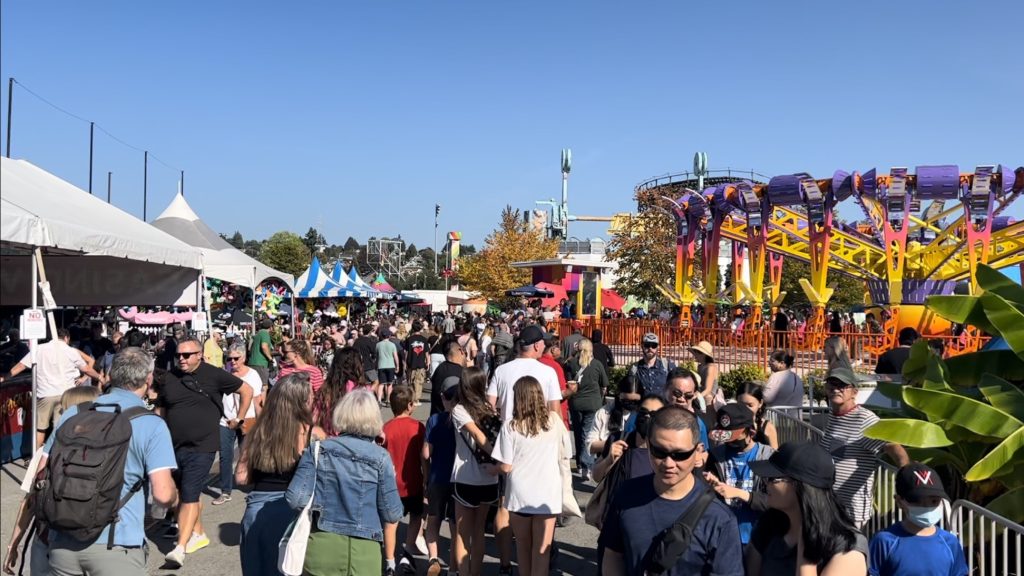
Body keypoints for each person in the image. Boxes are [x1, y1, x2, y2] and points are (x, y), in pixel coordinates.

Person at [42, 348, 178, 576]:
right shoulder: (151, 424)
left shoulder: (72, 413)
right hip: (118, 544)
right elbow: (163, 495)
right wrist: (176, 498)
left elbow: (42, 475)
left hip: (63, 540)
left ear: (109, 376)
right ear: (148, 379)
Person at [599, 405, 744, 575]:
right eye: (659, 452)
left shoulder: (720, 519)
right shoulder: (626, 494)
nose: (668, 463)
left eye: (680, 455)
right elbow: (613, 555)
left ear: (698, 451)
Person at [285, 388, 404, 575]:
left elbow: (296, 499)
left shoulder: (318, 450)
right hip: (365, 553)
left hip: (322, 548)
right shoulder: (381, 458)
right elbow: (392, 513)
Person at [155, 337, 251, 568]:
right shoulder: (169, 378)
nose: (181, 359)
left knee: (189, 493)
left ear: (200, 354)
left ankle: (180, 547)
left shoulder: (214, 375)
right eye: (179, 355)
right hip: (174, 446)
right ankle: (198, 533)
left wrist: (239, 417)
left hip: (203, 446)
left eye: (187, 355)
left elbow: (246, 390)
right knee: (178, 495)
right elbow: (161, 409)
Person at [3, 385, 101, 576]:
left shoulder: (46, 452)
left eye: (62, 410)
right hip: (94, 543)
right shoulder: (111, 452)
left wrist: (13, 545)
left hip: (48, 540)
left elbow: (30, 504)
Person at [235, 373, 318, 576]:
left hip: (256, 513)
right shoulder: (310, 434)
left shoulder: (258, 432)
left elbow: (241, 477)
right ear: (303, 402)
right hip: (292, 514)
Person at [747, 441, 869, 575]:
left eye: (772, 479)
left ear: (802, 487)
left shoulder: (848, 547)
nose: (765, 484)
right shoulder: (768, 526)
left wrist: (807, 556)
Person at [491, 376, 565, 576]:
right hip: (547, 495)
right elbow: (565, 452)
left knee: (523, 548)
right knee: (542, 550)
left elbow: (506, 466)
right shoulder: (554, 422)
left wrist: (493, 469)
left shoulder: (510, 426)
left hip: (520, 495)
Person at [822, 367, 909, 529]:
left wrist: (906, 474)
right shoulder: (833, 414)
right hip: (831, 503)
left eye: (842, 386)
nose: (836, 389)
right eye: (831, 385)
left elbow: (891, 445)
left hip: (852, 509)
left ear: (854, 392)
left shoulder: (864, 419)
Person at [2, 328, 105, 448]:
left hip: (45, 393)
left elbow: (20, 366)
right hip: (66, 394)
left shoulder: (39, 349)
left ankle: (35, 458)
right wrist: (100, 377)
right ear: (67, 338)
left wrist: (5, 378)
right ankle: (57, 456)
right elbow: (86, 369)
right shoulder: (70, 350)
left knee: (40, 428)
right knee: (60, 426)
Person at [869, 462, 968, 576]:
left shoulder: (950, 543)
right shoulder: (884, 541)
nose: (926, 507)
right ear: (899, 501)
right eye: (916, 501)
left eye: (934, 501)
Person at [451, 368, 501, 576]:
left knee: (463, 535)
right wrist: (498, 458)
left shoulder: (459, 410)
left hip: (465, 477)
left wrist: (492, 452)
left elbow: (477, 435)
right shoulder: (490, 408)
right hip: (489, 477)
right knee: (479, 531)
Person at [703, 403, 775, 546]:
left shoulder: (767, 457)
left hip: (758, 540)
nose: (729, 444)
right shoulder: (716, 456)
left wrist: (741, 494)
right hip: (724, 538)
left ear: (751, 432)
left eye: (735, 439)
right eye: (725, 439)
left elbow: (776, 502)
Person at [382, 386, 427, 573]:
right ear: (409, 406)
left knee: (391, 523)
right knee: (417, 516)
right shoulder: (418, 427)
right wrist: (427, 478)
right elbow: (423, 457)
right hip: (413, 481)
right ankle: (407, 551)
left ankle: (390, 561)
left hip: (391, 484)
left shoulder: (386, 428)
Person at [214, 341, 264, 506]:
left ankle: (252, 485)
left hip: (247, 419)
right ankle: (225, 490)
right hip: (226, 420)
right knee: (225, 456)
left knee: (248, 453)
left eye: (236, 358)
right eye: (229, 359)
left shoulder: (253, 375)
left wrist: (262, 422)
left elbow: (257, 401)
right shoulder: (225, 374)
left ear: (244, 357)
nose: (232, 362)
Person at [423, 376, 460, 576]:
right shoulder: (464, 421)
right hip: (458, 479)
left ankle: (433, 558)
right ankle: (454, 567)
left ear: (442, 397)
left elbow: (426, 453)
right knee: (455, 526)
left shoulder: (434, 420)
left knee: (434, 519)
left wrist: (426, 476)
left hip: (437, 476)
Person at [487, 325, 562, 421]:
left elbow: (490, 404)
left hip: (508, 432)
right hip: (539, 432)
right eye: (543, 343)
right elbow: (555, 411)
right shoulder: (549, 372)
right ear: (536, 346)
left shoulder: (500, 370)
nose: (544, 346)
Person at [566, 338, 608, 479]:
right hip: (593, 403)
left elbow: (569, 382)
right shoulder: (596, 364)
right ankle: (586, 465)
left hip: (576, 402)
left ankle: (579, 463)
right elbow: (604, 383)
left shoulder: (571, 363)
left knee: (578, 434)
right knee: (587, 434)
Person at [588, 373, 641, 458]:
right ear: (619, 395)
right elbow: (590, 446)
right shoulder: (603, 413)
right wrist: (611, 444)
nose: (631, 404)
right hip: (608, 463)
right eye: (626, 401)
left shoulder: (644, 415)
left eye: (635, 401)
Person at [663, 367, 710, 451]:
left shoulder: (699, 423)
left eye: (688, 395)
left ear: (695, 395)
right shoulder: (651, 416)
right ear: (665, 390)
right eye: (677, 393)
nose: (681, 399)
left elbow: (704, 455)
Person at [539, 334, 571, 430]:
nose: (560, 351)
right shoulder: (555, 366)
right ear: (553, 349)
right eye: (559, 348)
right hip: (556, 413)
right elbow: (561, 393)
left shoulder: (537, 362)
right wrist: (572, 390)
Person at [735, 382, 779, 449]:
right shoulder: (731, 424)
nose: (745, 409)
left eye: (750, 405)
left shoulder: (767, 427)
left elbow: (775, 455)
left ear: (760, 403)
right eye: (741, 404)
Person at [630, 332, 674, 398]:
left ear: (658, 347)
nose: (650, 348)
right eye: (647, 345)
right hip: (643, 407)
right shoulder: (635, 368)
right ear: (642, 346)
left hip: (662, 407)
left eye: (654, 345)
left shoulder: (667, 366)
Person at [430, 339, 465, 415]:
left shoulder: (439, 368)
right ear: (461, 351)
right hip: (450, 420)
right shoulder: (460, 372)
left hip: (436, 416)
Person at [689, 340, 723, 410]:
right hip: (700, 393)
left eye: (698, 352)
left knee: (707, 398)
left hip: (710, 397)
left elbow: (708, 389)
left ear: (704, 355)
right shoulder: (700, 366)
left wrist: (697, 397)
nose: (695, 355)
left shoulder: (711, 367)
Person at [405, 321, 430, 406]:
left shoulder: (409, 339)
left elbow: (406, 353)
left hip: (411, 363)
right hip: (421, 363)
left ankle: (412, 398)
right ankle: (417, 399)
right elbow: (427, 353)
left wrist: (405, 363)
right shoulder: (424, 340)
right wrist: (428, 362)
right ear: (421, 328)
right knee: (419, 382)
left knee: (411, 382)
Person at [247, 318, 274, 386]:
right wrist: (270, 358)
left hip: (251, 363)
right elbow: (264, 347)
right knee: (263, 386)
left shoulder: (257, 334)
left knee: (253, 386)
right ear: (271, 327)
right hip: (260, 364)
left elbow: (249, 348)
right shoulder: (265, 333)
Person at [377, 330, 400, 405]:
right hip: (390, 365)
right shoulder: (392, 345)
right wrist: (397, 366)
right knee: (389, 384)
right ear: (389, 336)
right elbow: (395, 356)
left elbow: (376, 356)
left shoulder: (378, 344)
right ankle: (388, 400)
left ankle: (379, 400)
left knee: (381, 384)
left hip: (381, 365)